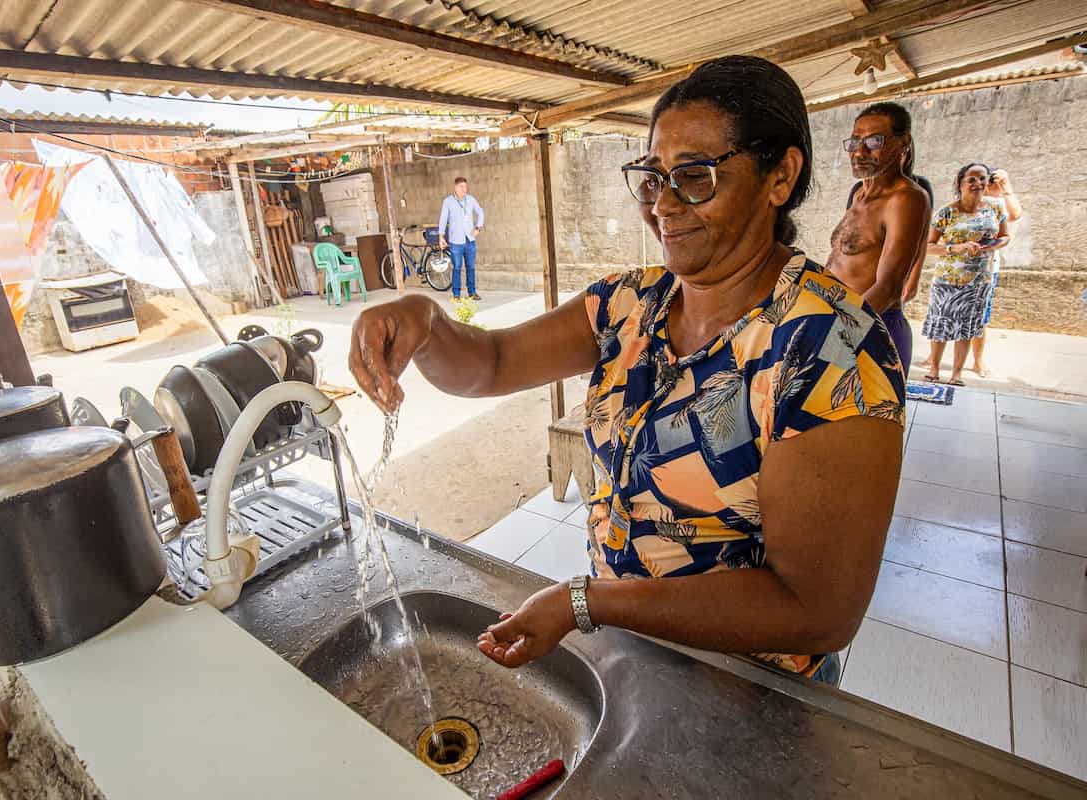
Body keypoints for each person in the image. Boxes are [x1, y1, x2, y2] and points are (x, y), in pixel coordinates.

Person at [349, 56, 905, 686]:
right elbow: (491, 363)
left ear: (780, 176)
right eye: (652, 177)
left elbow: (816, 611)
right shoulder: (630, 303)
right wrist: (425, 321)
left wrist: (587, 602)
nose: (662, 204)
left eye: (694, 176)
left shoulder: (831, 347)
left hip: (751, 690)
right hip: (636, 654)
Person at [827, 102, 931, 379]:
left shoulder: (906, 198)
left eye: (874, 141)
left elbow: (888, 288)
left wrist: (831, 340)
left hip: (870, 329)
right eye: (854, 142)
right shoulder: (859, 195)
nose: (860, 152)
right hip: (841, 324)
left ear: (903, 142)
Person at [922, 164, 1011, 385]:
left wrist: (991, 246)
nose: (977, 183)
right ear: (960, 183)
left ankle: (956, 374)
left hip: (978, 281)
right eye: (971, 179)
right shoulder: (947, 212)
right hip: (947, 280)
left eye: (982, 178)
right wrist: (956, 247)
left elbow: (1005, 236)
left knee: (967, 327)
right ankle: (934, 370)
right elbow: (927, 246)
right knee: (941, 324)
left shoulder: (996, 208)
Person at [973, 167, 1024, 376]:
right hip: (959, 267)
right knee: (948, 313)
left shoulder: (1001, 204)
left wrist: (1006, 185)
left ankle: (977, 361)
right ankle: (934, 359)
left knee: (980, 318)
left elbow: (1016, 214)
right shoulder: (971, 200)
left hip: (986, 270)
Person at [437, 177, 485, 301]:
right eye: (461, 187)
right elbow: (443, 219)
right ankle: (456, 294)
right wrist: (441, 236)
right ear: (455, 187)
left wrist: (478, 228)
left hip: (470, 240)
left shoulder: (471, 199)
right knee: (457, 267)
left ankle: (472, 292)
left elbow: (480, 212)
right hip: (456, 241)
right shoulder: (448, 202)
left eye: (465, 187)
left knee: (471, 267)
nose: (464, 189)